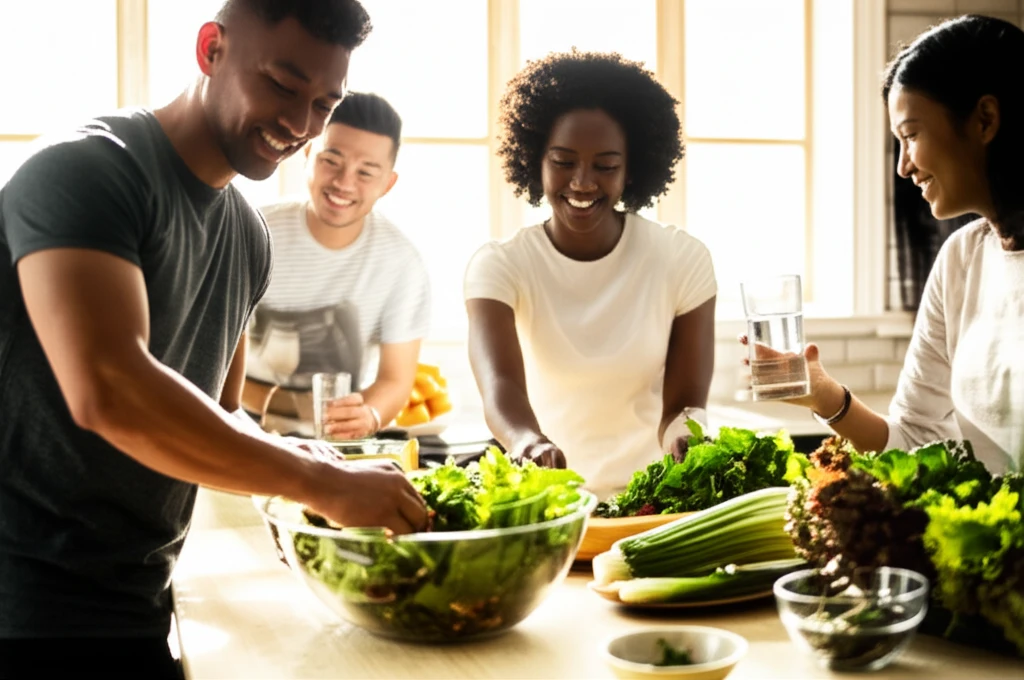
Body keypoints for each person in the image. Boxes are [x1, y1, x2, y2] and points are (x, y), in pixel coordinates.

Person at [0, 1, 428, 677]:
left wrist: (328, 468)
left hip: (141, 602)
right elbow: (107, 389)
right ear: (211, 50)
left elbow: (224, 414)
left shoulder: (247, 237)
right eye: (283, 85)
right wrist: (318, 482)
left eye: (323, 102)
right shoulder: (87, 170)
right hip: (25, 609)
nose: (299, 125)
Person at [745, 14, 1023, 475]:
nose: (903, 167)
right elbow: (914, 439)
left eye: (911, 136)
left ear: (985, 120)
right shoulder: (960, 261)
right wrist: (822, 394)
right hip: (989, 545)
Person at [464, 50, 718, 501]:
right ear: (535, 159)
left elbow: (682, 405)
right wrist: (527, 441)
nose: (582, 182)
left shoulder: (681, 260)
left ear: (632, 169)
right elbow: (499, 386)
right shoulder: (500, 266)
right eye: (563, 162)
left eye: (605, 166)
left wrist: (687, 434)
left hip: (651, 504)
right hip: (548, 502)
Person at [243, 92, 431, 440]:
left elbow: (395, 380)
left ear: (387, 183)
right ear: (308, 154)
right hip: (237, 434)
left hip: (337, 449)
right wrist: (287, 406)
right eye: (332, 160)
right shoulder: (251, 233)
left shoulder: (401, 263)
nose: (344, 183)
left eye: (366, 172)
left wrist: (370, 415)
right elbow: (209, 360)